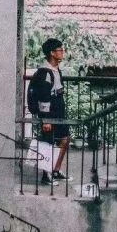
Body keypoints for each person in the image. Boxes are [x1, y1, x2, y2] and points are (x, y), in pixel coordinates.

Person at [31, 38, 70, 185]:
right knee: (48, 141)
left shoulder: (55, 69)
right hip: (49, 110)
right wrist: (46, 119)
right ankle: (46, 175)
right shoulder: (45, 72)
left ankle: (55, 170)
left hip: (58, 107)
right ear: (52, 53)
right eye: (60, 50)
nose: (62, 52)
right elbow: (43, 96)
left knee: (65, 138)